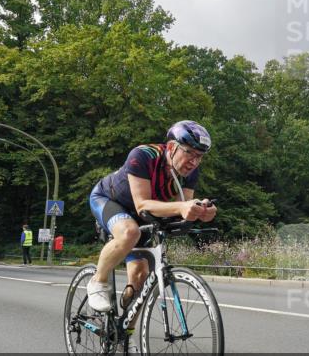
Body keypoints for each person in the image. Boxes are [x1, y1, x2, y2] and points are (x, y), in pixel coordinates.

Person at [86, 120, 218, 316]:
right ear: (171, 147)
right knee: (129, 232)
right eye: (189, 152)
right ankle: (98, 280)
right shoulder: (143, 156)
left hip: (145, 214)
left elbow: (181, 208)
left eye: (199, 156)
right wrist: (182, 207)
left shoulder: (190, 172)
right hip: (110, 200)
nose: (194, 161)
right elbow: (142, 205)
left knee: (140, 276)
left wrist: (200, 212)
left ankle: (126, 331)